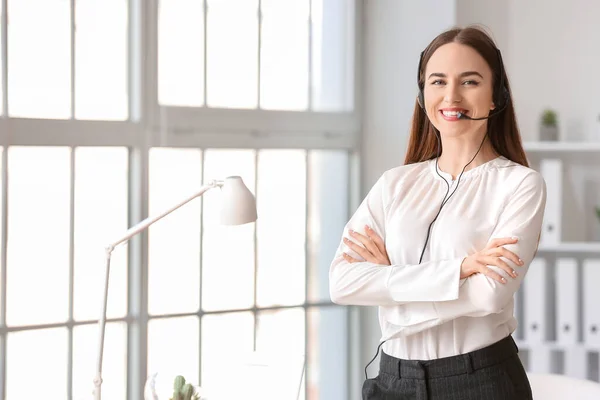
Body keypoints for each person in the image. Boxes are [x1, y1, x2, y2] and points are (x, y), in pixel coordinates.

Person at [329, 25, 546, 400]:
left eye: (470, 82)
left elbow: (488, 297)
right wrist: (459, 270)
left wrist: (388, 284)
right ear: (422, 93)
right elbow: (342, 283)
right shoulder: (394, 184)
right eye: (438, 81)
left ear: (497, 95)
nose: (451, 96)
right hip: (391, 379)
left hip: (478, 380)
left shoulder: (520, 185)